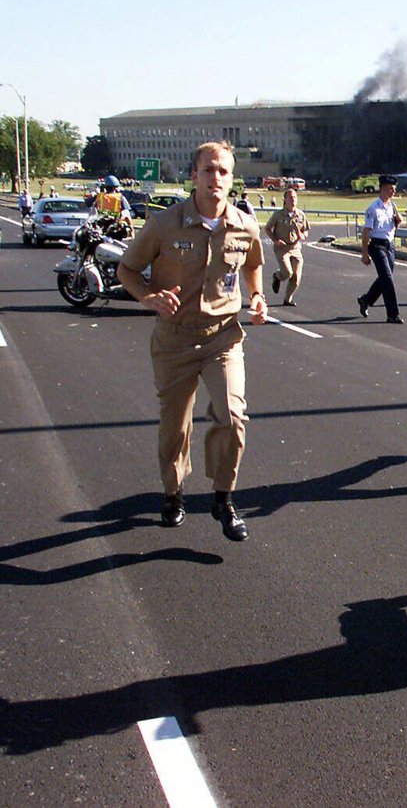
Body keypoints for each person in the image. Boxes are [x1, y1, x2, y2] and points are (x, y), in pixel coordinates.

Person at [116, 141, 267, 542]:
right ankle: (173, 492)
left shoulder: (245, 225)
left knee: (232, 416)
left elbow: (253, 264)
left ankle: (223, 497)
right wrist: (149, 297)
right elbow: (127, 269)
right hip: (175, 340)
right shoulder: (164, 224)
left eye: (223, 171)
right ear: (194, 175)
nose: (216, 178)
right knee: (175, 426)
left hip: (223, 337)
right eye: (209, 170)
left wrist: (256, 295)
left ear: (232, 179)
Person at [356, 175, 404, 324]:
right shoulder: (373, 208)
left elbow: (392, 225)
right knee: (387, 279)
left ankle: (366, 299)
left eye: (394, 189)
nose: (393, 192)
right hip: (377, 245)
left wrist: (398, 221)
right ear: (382, 189)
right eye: (390, 189)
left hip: (390, 245)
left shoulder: (392, 206)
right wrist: (364, 254)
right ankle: (393, 314)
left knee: (385, 277)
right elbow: (366, 232)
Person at [263, 188, 310, 306]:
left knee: (296, 276)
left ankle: (288, 299)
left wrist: (303, 235)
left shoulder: (300, 215)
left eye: (294, 197)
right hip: (282, 248)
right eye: (290, 197)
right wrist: (275, 240)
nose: (293, 200)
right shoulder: (278, 215)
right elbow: (267, 228)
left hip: (295, 247)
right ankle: (277, 276)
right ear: (285, 200)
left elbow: (305, 230)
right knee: (287, 272)